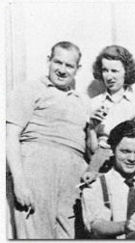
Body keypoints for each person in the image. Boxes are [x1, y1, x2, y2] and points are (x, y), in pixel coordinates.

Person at [6, 41, 90, 239]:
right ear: (48, 61)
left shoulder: (81, 101)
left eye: (69, 65)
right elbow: (11, 136)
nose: (62, 70)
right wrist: (19, 182)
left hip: (72, 177)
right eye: (57, 62)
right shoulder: (30, 89)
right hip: (37, 170)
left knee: (68, 235)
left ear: (77, 69)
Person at [82, 45, 135, 182]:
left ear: (126, 72)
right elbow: (92, 153)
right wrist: (92, 129)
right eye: (105, 70)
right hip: (103, 172)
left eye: (114, 71)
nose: (109, 76)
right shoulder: (94, 104)